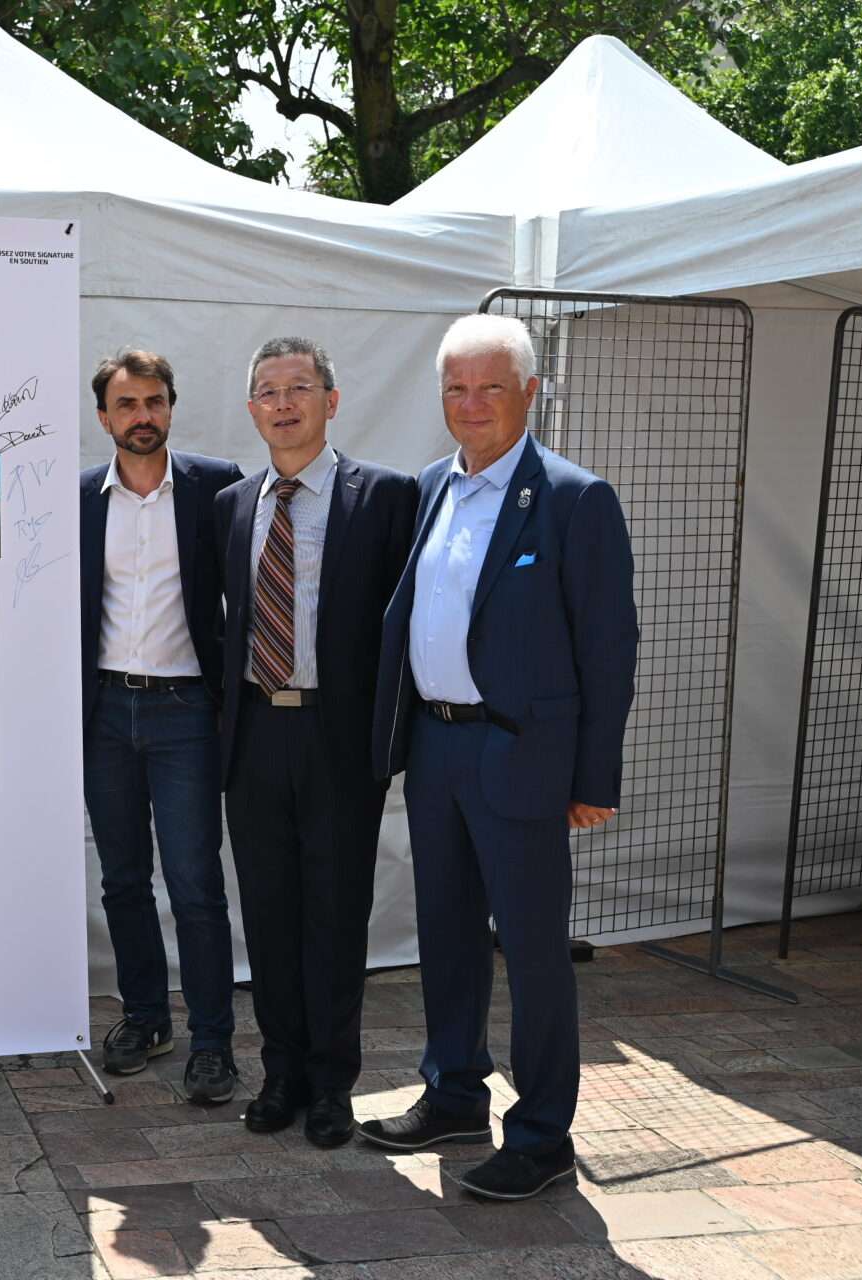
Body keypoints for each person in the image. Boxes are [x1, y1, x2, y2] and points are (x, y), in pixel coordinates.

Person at [364, 315, 638, 1201]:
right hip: (437, 747)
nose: (471, 403)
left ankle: (543, 1134)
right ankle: (454, 1095)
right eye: (456, 387)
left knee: (531, 949)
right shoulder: (430, 488)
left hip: (522, 756)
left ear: (529, 392)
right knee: (446, 936)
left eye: (490, 387)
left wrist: (592, 779)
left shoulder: (574, 498)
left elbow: (609, 647)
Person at [211, 339, 418, 1146]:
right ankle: (282, 1074)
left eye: (299, 387)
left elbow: (403, 628)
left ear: (332, 400)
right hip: (255, 733)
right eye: (268, 391)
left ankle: (333, 1085)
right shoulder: (233, 505)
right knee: (267, 915)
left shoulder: (385, 496)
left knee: (335, 914)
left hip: (338, 737)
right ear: (252, 409)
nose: (283, 403)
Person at [79, 349, 243, 1103]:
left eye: (153, 402)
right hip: (105, 712)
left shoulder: (218, 485)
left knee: (195, 884)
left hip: (187, 714)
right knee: (122, 879)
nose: (141, 416)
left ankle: (213, 1042)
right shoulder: (80, 497)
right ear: (104, 416)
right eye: (126, 404)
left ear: (171, 407)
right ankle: (146, 1019)